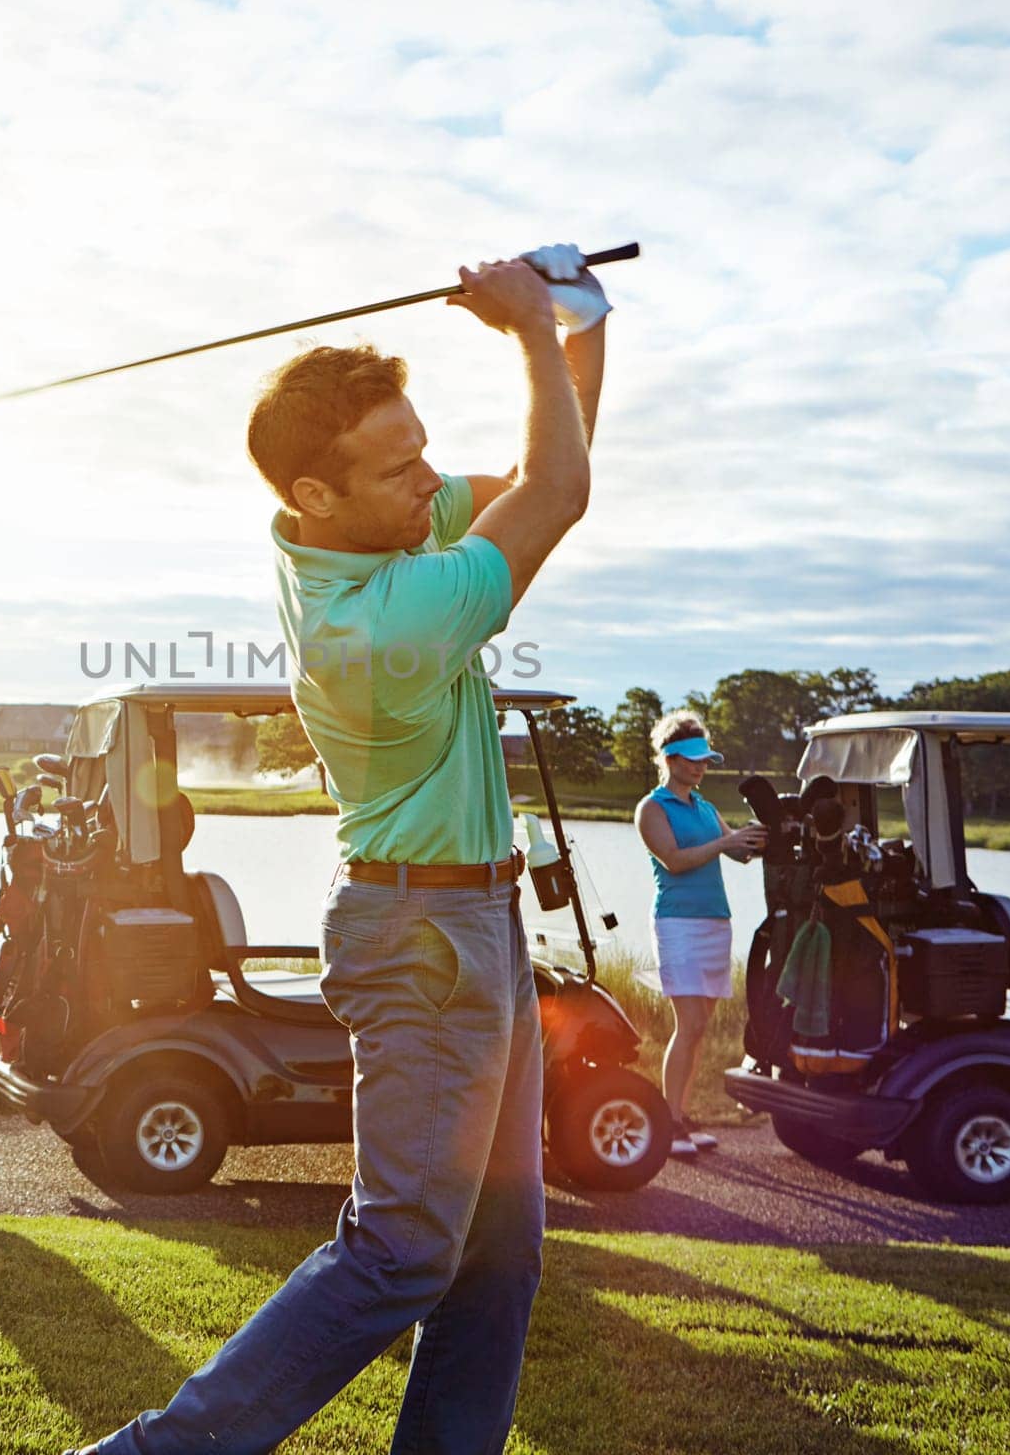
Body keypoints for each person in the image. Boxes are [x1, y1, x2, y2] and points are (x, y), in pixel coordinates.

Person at [68, 245, 610, 1455]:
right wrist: (531, 330)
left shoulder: (367, 529)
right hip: (425, 940)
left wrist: (575, 312)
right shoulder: (380, 625)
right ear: (317, 493)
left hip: (476, 928)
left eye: (422, 447)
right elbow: (559, 498)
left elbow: (543, 466)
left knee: (499, 1253)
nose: (430, 478)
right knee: (404, 1247)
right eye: (399, 462)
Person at [634, 710, 766, 1158]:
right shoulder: (652, 808)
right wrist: (725, 844)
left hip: (714, 923)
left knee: (700, 1027)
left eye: (705, 760)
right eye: (692, 759)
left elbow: (738, 854)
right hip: (678, 924)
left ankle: (680, 1117)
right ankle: (668, 1124)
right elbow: (674, 860)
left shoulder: (705, 808)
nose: (700, 766)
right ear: (669, 759)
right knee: (688, 1024)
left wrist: (756, 838)